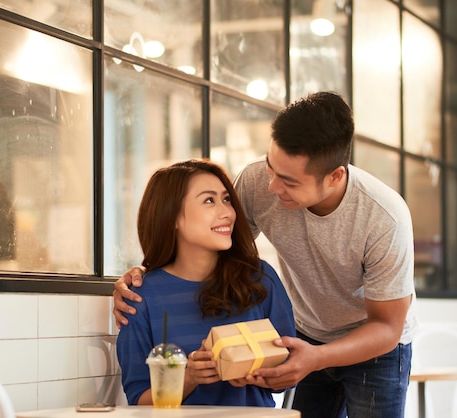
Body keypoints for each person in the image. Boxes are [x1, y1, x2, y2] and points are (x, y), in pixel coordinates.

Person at [114, 92, 417, 417]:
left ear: (335, 177)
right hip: (306, 333)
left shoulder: (384, 217)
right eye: (271, 167)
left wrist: (315, 357)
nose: (271, 187)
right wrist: (144, 273)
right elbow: (215, 240)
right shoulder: (258, 181)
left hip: (372, 341)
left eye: (288, 181)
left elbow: (386, 327)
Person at [115, 159, 296, 407]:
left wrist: (255, 373)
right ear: (171, 218)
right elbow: (139, 401)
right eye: (209, 200)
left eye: (226, 199)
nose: (227, 212)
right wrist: (188, 378)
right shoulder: (140, 298)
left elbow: (290, 375)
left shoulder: (259, 279)